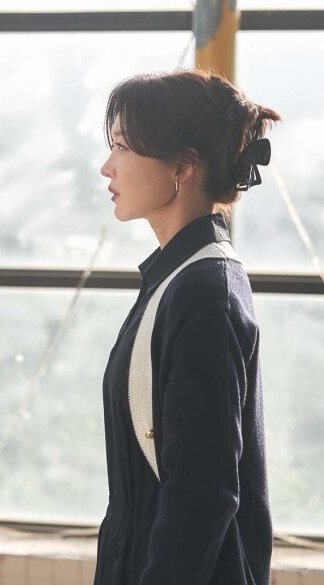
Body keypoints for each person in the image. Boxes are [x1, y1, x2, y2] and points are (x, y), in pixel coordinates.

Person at [95, 69, 280, 585]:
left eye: (122, 147)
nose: (107, 167)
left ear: (183, 165)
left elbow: (202, 492)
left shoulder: (205, 291)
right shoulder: (180, 278)